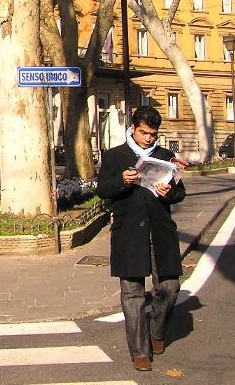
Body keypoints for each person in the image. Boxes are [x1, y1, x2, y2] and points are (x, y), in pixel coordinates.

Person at [96, 106, 187, 372]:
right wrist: (121, 180)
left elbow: (180, 194)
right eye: (144, 133)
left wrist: (168, 191)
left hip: (160, 231)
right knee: (132, 293)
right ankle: (139, 351)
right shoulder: (115, 156)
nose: (148, 138)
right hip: (129, 233)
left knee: (169, 288)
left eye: (153, 134)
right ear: (133, 128)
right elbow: (103, 189)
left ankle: (157, 331)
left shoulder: (165, 156)